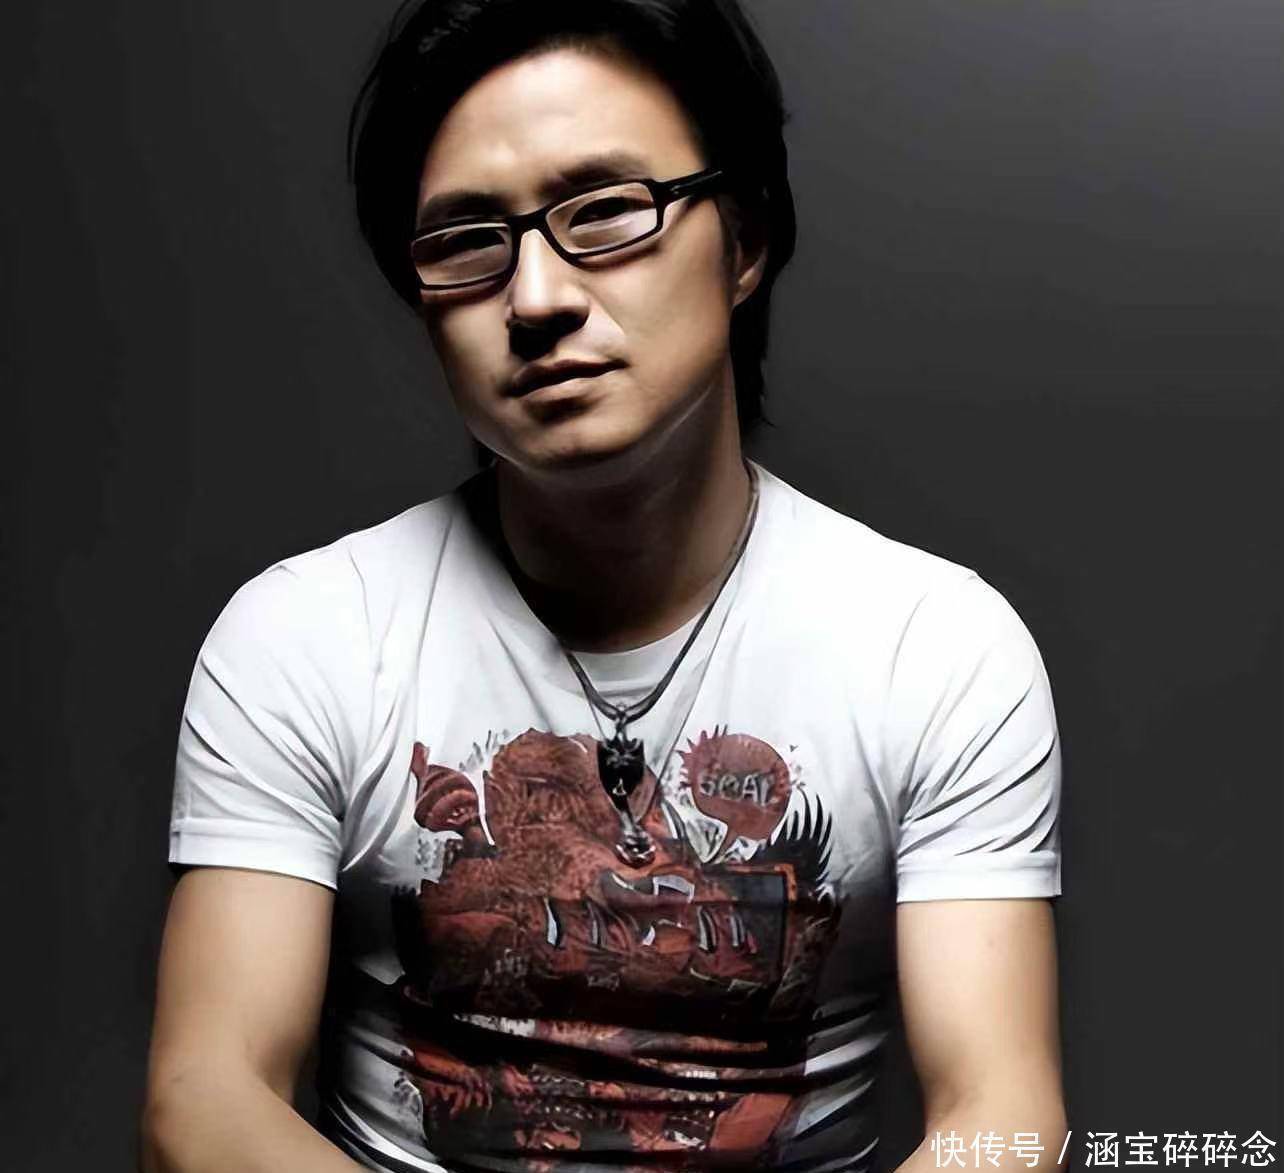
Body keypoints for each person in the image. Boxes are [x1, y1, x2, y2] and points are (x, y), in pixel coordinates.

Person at [141, 1, 1067, 1171]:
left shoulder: (934, 646)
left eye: (607, 211)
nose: (535, 299)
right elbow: (204, 1102)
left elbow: (1003, 1114)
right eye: (466, 239)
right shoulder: (305, 635)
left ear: (744, 241)